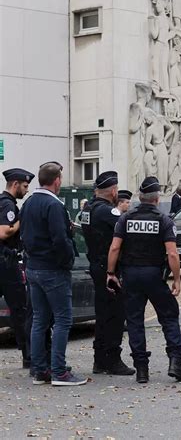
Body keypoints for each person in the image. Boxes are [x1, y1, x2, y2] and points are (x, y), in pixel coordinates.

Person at [107, 176, 181, 384]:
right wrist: (177, 279)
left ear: (140, 197)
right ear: (156, 199)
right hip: (154, 275)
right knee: (169, 316)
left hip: (131, 275)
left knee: (135, 320)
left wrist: (110, 273)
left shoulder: (125, 218)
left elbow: (115, 247)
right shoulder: (164, 220)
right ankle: (176, 362)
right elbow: (172, 254)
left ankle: (142, 369)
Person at [20, 161, 87, 386]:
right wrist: (67, 261)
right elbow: (60, 239)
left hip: (33, 267)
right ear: (57, 180)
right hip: (53, 269)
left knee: (39, 320)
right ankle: (59, 372)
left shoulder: (28, 203)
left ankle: (40, 370)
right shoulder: (54, 205)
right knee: (62, 320)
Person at [81, 172, 135, 376]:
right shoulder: (107, 212)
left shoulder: (88, 209)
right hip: (109, 269)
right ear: (113, 191)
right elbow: (126, 232)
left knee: (102, 314)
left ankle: (99, 360)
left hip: (96, 265)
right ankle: (112, 359)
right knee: (115, 314)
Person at [0, 168, 34, 368]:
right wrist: (22, 219)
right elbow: (4, 232)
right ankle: (28, 356)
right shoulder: (7, 204)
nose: (26, 190)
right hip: (6, 263)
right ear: (15, 184)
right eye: (25, 185)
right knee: (20, 310)